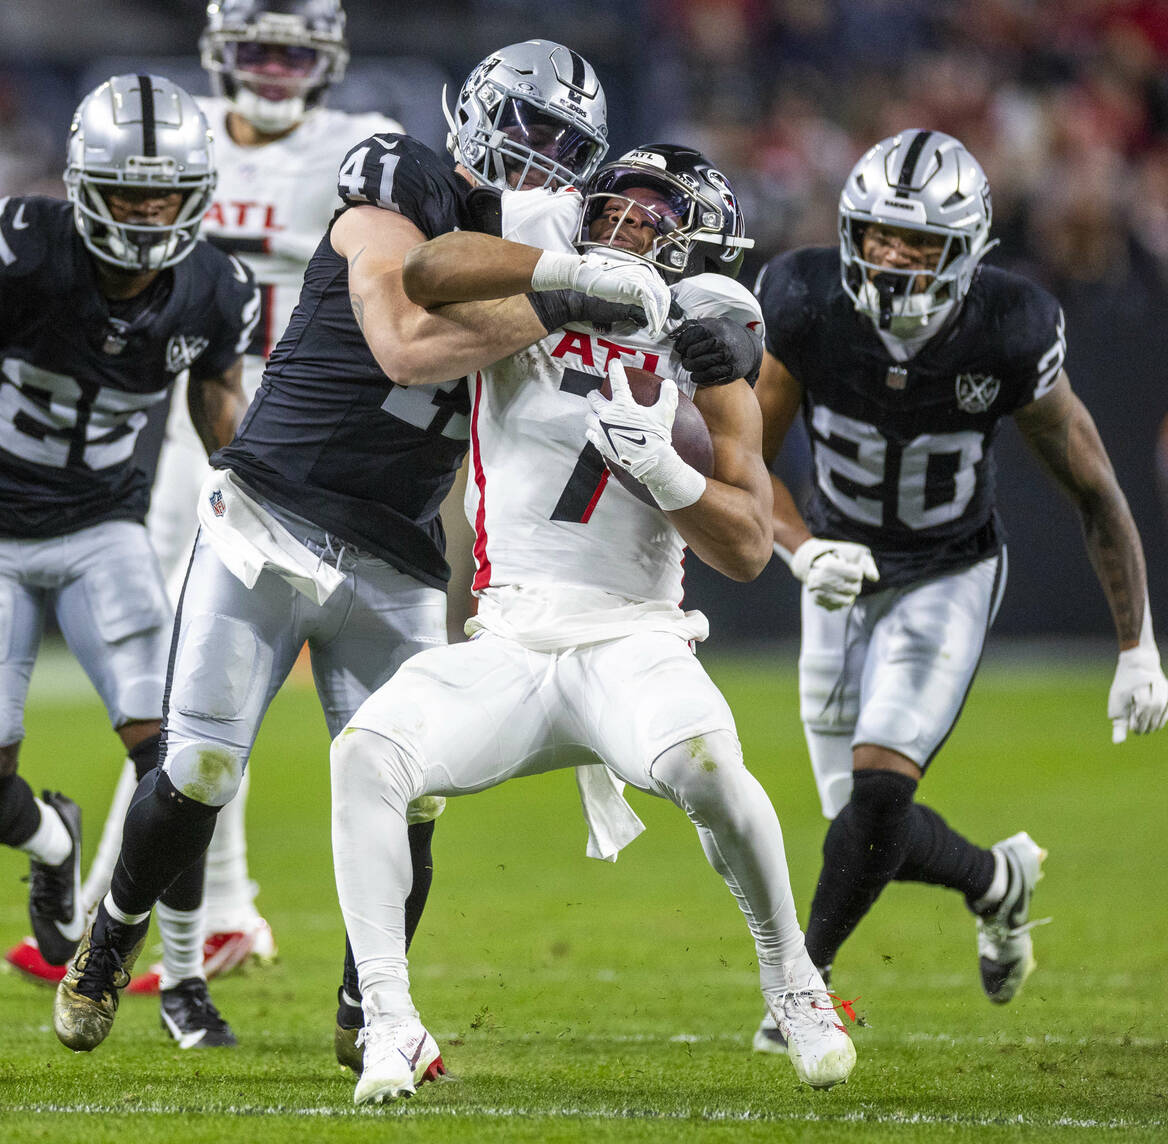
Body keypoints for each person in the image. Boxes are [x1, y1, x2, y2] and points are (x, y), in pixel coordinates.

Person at [49, 40, 674, 1062]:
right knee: (199, 764)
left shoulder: (552, 250)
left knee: (413, 786)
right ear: (472, 115)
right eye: (522, 126)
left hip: (400, 549)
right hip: (275, 513)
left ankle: (365, 1011)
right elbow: (401, 345)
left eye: (561, 144)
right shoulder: (403, 174)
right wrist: (566, 293)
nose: (534, 157)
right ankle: (109, 941)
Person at [324, 142, 856, 1107]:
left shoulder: (709, 346)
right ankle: (392, 1023)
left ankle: (796, 984)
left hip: (635, 634)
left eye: (653, 216)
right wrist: (564, 277)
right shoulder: (539, 280)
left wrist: (667, 475)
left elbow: (742, 546)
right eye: (613, 206)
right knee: (365, 754)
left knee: (707, 767)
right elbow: (428, 269)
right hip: (511, 635)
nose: (624, 225)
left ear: (697, 243)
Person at [749, 129, 1168, 1052]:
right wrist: (800, 549)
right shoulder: (804, 298)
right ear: (849, 231)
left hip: (947, 569)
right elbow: (746, 459)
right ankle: (995, 882)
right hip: (838, 571)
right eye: (878, 237)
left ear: (968, 250)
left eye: (920, 245)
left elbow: (1094, 484)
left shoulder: (1009, 326)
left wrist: (1136, 643)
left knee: (878, 795)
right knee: (856, 826)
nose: (894, 260)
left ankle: (800, 989)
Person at [38, 0, 411, 999]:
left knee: (199, 686)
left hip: (303, 432)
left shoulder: (361, 157)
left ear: (327, 59)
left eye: (297, 52)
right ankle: (218, 906)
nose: (278, 71)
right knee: (190, 682)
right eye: (258, 50)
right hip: (188, 421)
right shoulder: (171, 134)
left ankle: (146, 913)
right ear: (221, 52)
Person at [0, 73, 257, 1040]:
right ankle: (53, 837)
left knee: (179, 762)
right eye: (127, 194)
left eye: (163, 194)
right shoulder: (21, 250)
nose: (147, 214)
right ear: (80, 187)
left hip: (106, 529)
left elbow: (217, 402)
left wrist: (252, 481)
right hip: (1, 530)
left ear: (192, 195)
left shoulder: (215, 284)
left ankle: (183, 978)